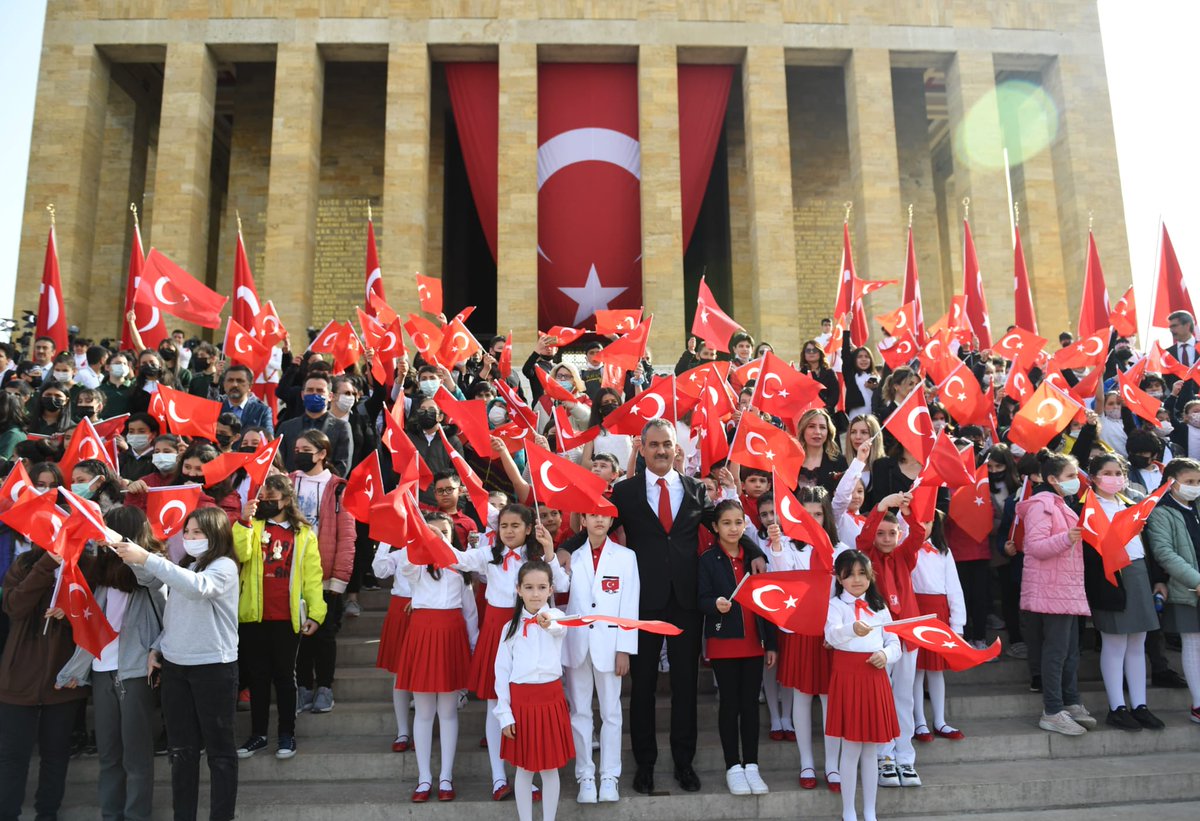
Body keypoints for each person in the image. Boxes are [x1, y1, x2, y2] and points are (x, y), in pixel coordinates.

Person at [610, 419, 717, 795]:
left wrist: (753, 549)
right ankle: (645, 765)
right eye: (653, 444)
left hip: (686, 602)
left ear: (676, 448)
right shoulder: (624, 492)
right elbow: (599, 527)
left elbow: (722, 528)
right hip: (643, 601)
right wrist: (562, 547)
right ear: (642, 448)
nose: (660, 451)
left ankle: (684, 763)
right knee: (643, 688)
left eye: (666, 444)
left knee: (685, 686)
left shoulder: (695, 489)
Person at [112, 507, 240, 821]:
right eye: (187, 532)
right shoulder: (185, 565)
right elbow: (173, 613)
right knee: (181, 751)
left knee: (220, 752)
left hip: (213, 667)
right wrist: (158, 648)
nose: (191, 538)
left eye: (198, 532)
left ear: (217, 535)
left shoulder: (224, 566)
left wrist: (148, 558)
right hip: (176, 668)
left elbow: (198, 588)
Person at [55, 505, 166, 821]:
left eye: (106, 532)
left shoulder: (154, 571)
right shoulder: (101, 576)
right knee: (108, 755)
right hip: (103, 672)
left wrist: (125, 548)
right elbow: (90, 628)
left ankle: (136, 816)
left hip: (135, 673)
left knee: (136, 756)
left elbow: (155, 589)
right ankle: (111, 814)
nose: (99, 540)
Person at [453, 504, 566, 801]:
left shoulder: (537, 558)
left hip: (530, 628)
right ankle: (498, 777)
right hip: (496, 628)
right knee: (496, 703)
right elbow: (458, 559)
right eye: (504, 526)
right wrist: (426, 536)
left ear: (529, 528)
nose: (510, 531)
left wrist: (550, 551)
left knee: (524, 707)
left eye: (516, 525)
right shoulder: (488, 554)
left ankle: (524, 776)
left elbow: (562, 585)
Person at [0, 512, 96, 821]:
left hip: (63, 681)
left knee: (55, 756)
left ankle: (48, 813)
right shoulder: (25, 565)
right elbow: (14, 606)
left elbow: (94, 617)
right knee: (12, 757)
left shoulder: (85, 567)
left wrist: (68, 612)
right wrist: (46, 566)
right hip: (18, 680)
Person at [233, 474, 325, 760]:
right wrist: (244, 521)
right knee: (258, 678)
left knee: (286, 678)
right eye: (263, 500)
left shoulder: (304, 534)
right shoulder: (253, 526)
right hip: (253, 616)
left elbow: (313, 576)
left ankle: (287, 734)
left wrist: (316, 612)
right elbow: (241, 553)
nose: (267, 504)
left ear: (287, 500)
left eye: (272, 500)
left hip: (287, 617)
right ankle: (258, 734)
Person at [395, 512, 477, 803]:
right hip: (422, 634)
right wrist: (417, 537)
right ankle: (423, 778)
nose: (439, 536)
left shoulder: (460, 567)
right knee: (425, 711)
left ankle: (445, 777)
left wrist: (473, 645)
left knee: (448, 711)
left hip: (452, 636)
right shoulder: (416, 567)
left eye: (445, 531)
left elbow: (470, 614)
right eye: (433, 531)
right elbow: (404, 564)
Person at [1015, 452, 1098, 736]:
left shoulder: (1062, 504)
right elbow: (1035, 546)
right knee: (1056, 653)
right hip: (1052, 591)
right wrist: (1067, 538)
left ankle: (1071, 701)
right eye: (1071, 476)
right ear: (1052, 479)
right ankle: (1052, 710)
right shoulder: (1043, 505)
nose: (1077, 481)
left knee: (1070, 652)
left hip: (1065, 589)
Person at [698, 499, 776, 797]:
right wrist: (714, 605)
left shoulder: (755, 559)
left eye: (738, 522)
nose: (733, 528)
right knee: (729, 705)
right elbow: (700, 599)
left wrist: (771, 643)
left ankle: (752, 765)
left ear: (746, 525)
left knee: (750, 706)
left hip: (754, 643)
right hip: (723, 642)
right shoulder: (707, 559)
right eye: (726, 523)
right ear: (715, 527)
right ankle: (733, 766)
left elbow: (768, 604)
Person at [1084, 454, 1166, 731]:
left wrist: (1157, 579)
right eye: (1107, 473)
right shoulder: (1085, 507)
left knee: (1137, 643)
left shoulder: (1131, 503)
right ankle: (1117, 706)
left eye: (1119, 473)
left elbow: (1148, 545)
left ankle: (1140, 705)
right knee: (1115, 643)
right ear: (1094, 477)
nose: (1115, 478)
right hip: (1109, 577)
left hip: (1138, 571)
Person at [562, 512, 639, 804]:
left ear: (611, 522)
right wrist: (551, 552)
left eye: (604, 516)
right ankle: (585, 776)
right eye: (592, 515)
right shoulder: (571, 556)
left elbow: (630, 603)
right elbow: (556, 586)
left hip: (610, 645)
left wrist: (625, 648)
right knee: (580, 712)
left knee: (611, 713)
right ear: (583, 520)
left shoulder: (625, 556)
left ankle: (609, 776)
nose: (598, 521)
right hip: (577, 644)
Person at [494, 560, 574, 821]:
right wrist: (505, 713)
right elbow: (502, 673)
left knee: (550, 769)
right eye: (529, 587)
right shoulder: (509, 629)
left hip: (550, 700)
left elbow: (557, 626)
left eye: (542, 587)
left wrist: (546, 621)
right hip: (521, 704)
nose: (536, 593)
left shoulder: (557, 617)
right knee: (524, 770)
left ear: (551, 590)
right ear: (518, 590)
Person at [824, 550, 901, 821]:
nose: (857, 580)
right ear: (839, 577)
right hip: (847, 677)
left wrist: (886, 655)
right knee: (851, 747)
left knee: (871, 749)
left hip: (874, 677)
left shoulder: (879, 607)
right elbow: (831, 636)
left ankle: (870, 812)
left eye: (862, 573)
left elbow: (894, 643)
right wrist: (850, 630)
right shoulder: (836, 606)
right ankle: (848, 811)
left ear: (870, 576)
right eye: (850, 574)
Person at [856, 492, 926, 788]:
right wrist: (882, 506)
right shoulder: (868, 557)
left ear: (899, 534)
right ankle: (883, 756)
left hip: (907, 633)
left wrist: (907, 512)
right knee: (881, 697)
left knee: (904, 697)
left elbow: (919, 533)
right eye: (881, 533)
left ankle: (905, 756)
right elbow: (863, 539)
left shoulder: (905, 555)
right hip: (879, 637)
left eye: (892, 533)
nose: (886, 538)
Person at [291, 430, 354, 715]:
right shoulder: (287, 482)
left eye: (306, 449)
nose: (299, 453)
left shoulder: (339, 487)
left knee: (325, 634)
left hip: (326, 574)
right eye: (297, 448)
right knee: (299, 632)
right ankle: (302, 686)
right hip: (292, 572)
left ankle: (324, 687)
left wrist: (339, 580)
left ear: (321, 453)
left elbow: (347, 536)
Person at [1143, 457, 1200, 725]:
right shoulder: (1161, 511)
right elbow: (1164, 552)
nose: (1195, 487)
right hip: (1186, 588)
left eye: (1198, 482)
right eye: (1189, 482)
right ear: (1172, 483)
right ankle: (1198, 703)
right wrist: (1195, 579)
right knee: (1193, 643)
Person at [911, 512, 967, 742]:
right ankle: (919, 722)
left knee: (935, 669)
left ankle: (939, 721)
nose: (922, 526)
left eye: (927, 521)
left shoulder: (944, 551)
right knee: (916, 670)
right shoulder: (905, 548)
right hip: (914, 611)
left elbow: (954, 587)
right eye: (917, 521)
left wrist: (957, 624)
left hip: (938, 613)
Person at [371, 539, 414, 752]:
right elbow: (379, 571)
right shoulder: (401, 553)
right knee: (400, 674)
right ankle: (403, 731)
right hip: (400, 610)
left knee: (427, 673)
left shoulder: (436, 550)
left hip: (429, 609)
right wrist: (386, 540)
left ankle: (425, 728)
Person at [277, 374, 351, 476]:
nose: (314, 394)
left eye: (320, 391)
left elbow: (342, 465)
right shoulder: (286, 427)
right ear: (303, 395)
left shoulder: (341, 427)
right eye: (310, 390)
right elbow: (279, 462)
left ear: (330, 396)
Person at [220, 364, 274, 438]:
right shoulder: (215, 408)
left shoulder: (262, 411)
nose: (234, 384)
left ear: (250, 386)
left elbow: (269, 441)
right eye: (230, 380)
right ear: (224, 384)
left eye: (240, 381)